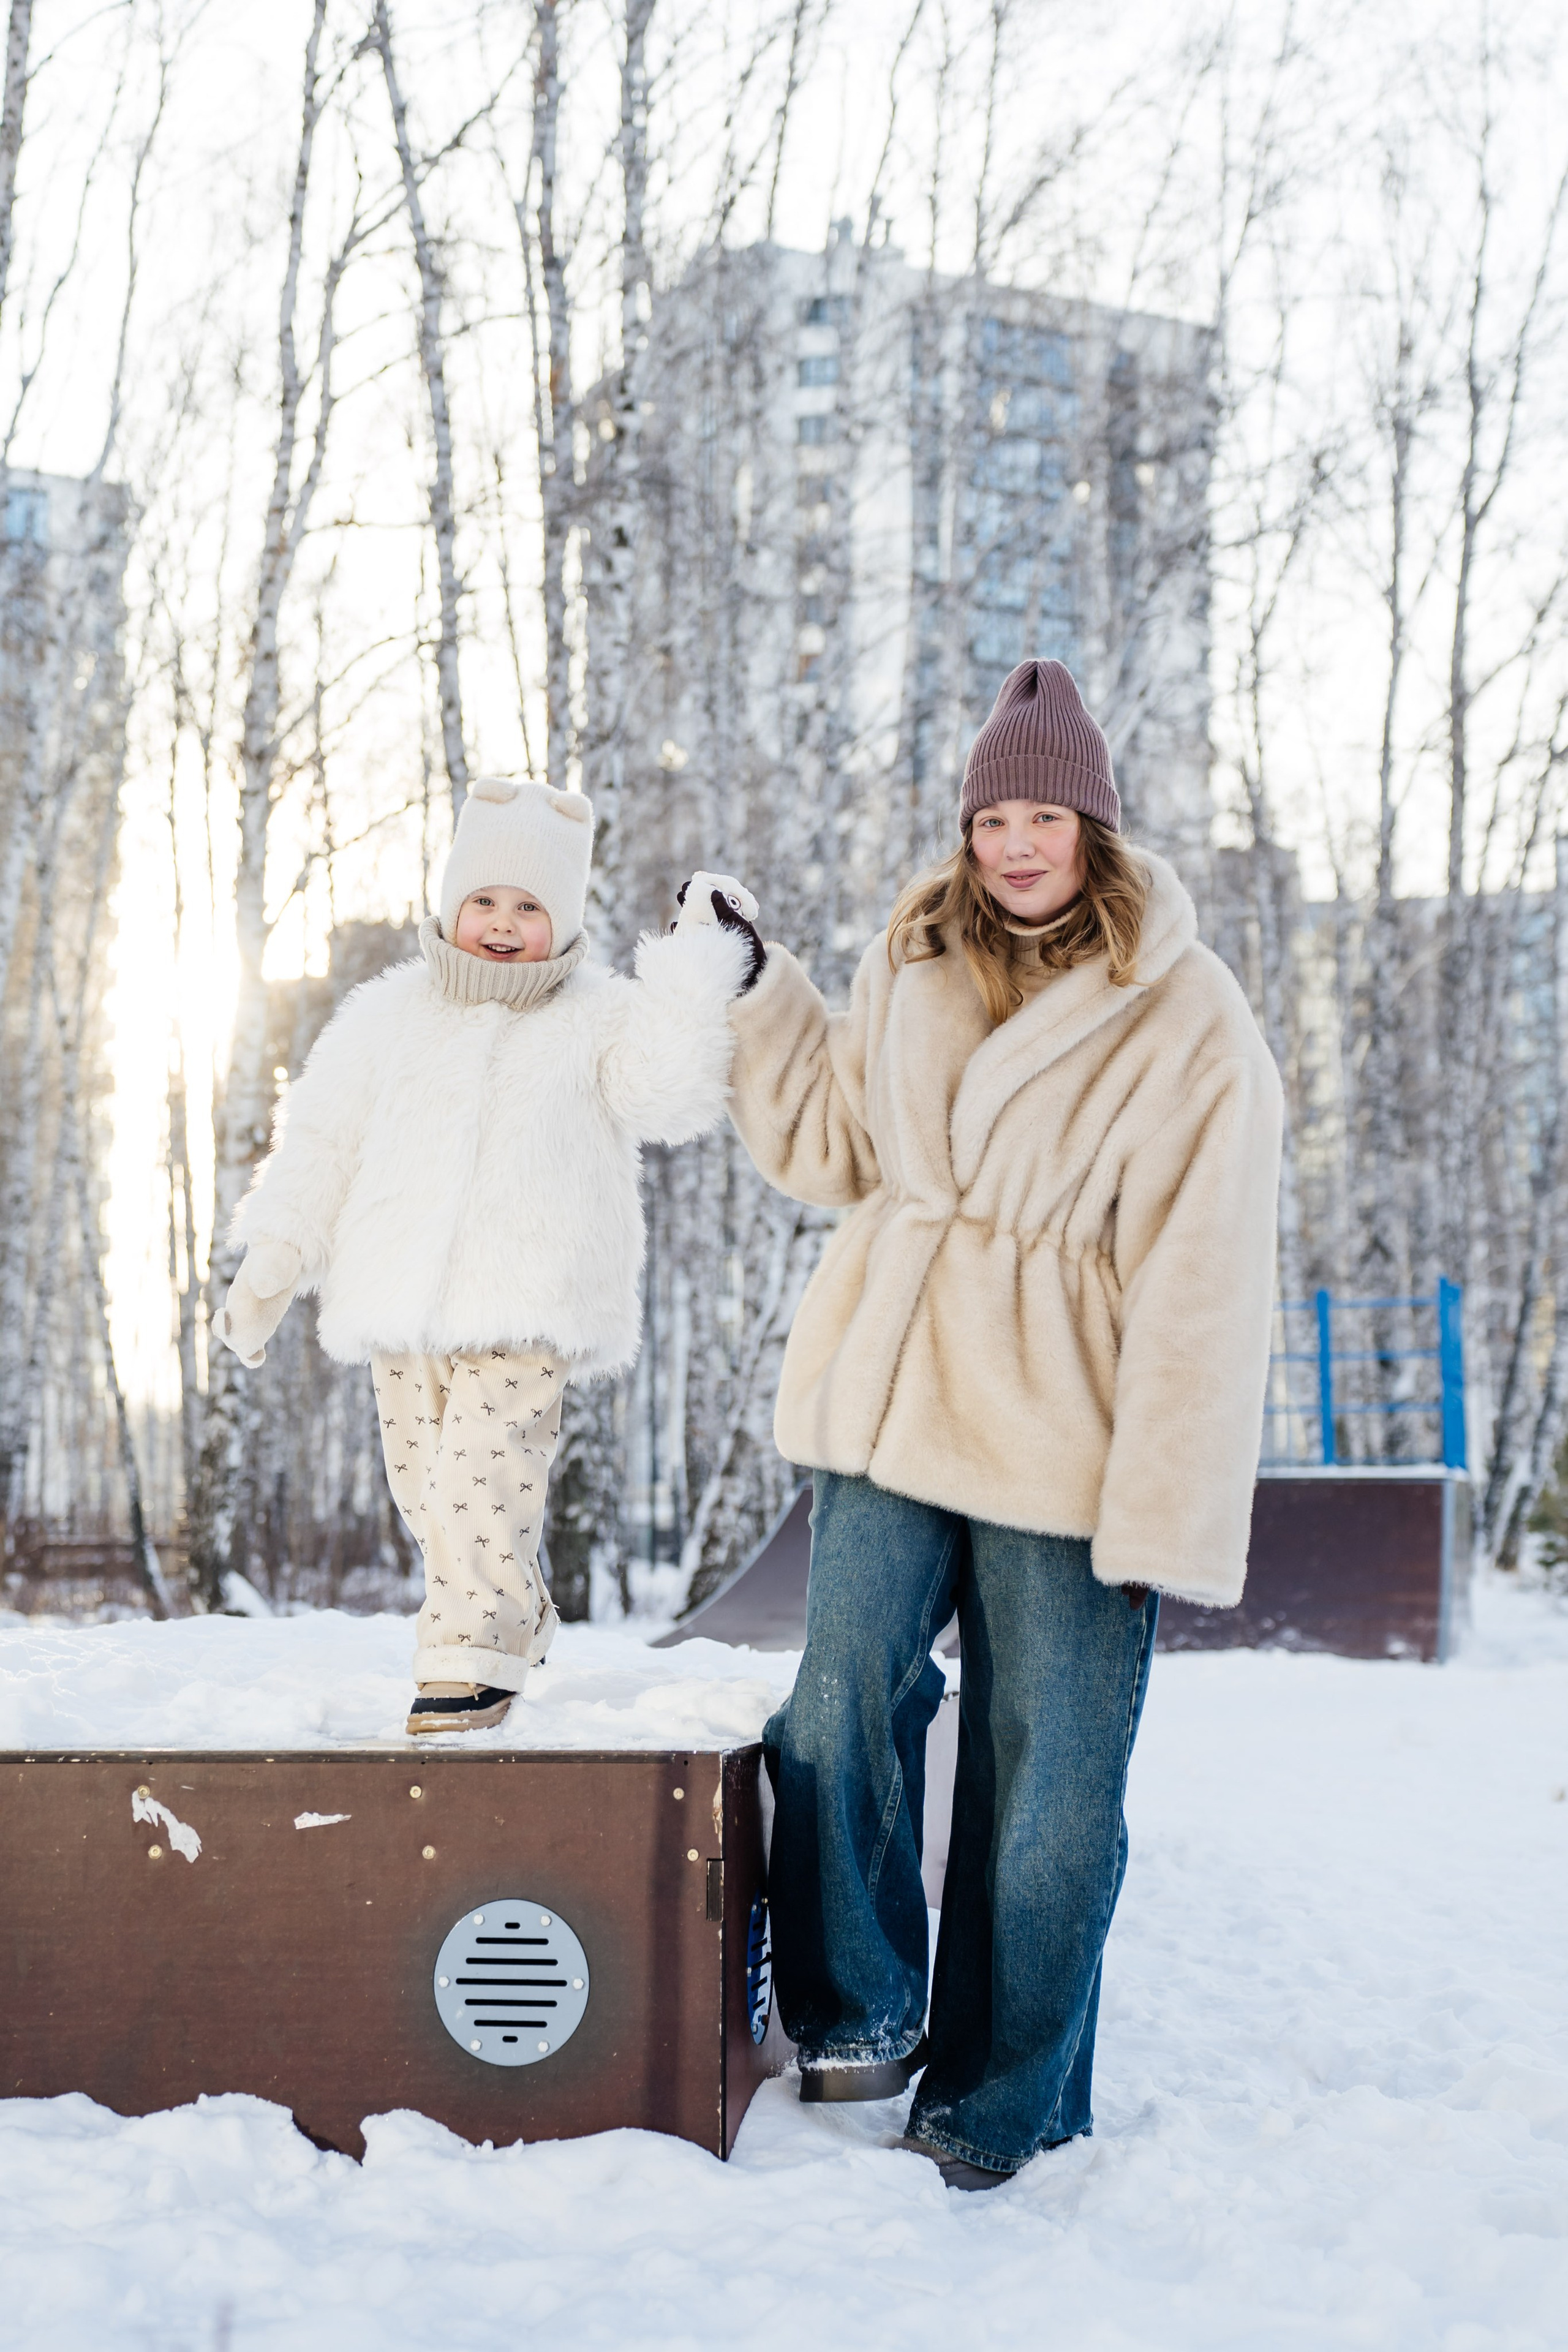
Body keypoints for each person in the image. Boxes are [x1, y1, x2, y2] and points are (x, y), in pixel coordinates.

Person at [723, 660, 1282, 2189]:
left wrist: (1161, 1498)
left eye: (1042, 813)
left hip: (1066, 1427)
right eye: (991, 815)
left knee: (1050, 1795)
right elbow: (836, 1149)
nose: (1014, 843)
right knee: (835, 1697)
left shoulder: (1184, 1011)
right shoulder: (913, 957)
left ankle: (1001, 2098)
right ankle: (857, 2011)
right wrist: (762, 996)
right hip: (894, 1395)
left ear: (1091, 826)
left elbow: (1205, 1274)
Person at [215, 778, 761, 1735]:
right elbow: (322, 1142)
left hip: (529, 1299)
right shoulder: (386, 1016)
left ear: (563, 921)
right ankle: (518, 1610)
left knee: (482, 1471)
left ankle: (468, 1664)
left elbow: (671, 1094)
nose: (504, 925)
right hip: (396, 1299)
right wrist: (274, 1257)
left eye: (530, 908)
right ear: (451, 905)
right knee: (430, 1492)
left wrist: (694, 967)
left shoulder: (596, 1015)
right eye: (486, 903)